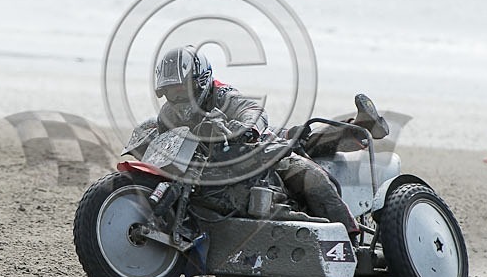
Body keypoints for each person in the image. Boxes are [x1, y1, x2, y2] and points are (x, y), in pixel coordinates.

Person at [153, 45, 388, 240]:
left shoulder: (223, 95)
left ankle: (349, 235)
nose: (177, 97)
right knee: (301, 137)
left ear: (200, 82)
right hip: (219, 167)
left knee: (309, 173)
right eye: (171, 92)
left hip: (264, 150)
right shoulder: (168, 114)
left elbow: (253, 111)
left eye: (182, 89)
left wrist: (247, 130)